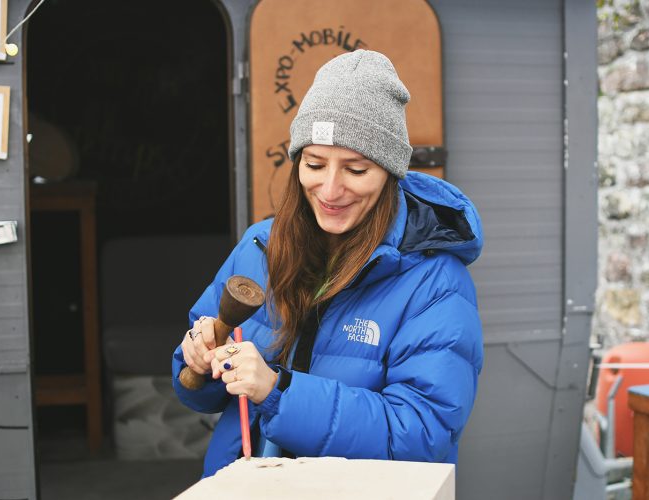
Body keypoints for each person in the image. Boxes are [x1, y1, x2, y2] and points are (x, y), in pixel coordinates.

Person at [172, 49, 484, 477]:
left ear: (389, 174)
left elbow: (422, 434)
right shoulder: (259, 246)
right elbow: (196, 394)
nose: (330, 189)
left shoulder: (434, 280)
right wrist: (196, 360)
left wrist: (277, 389)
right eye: (314, 164)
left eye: (356, 170)